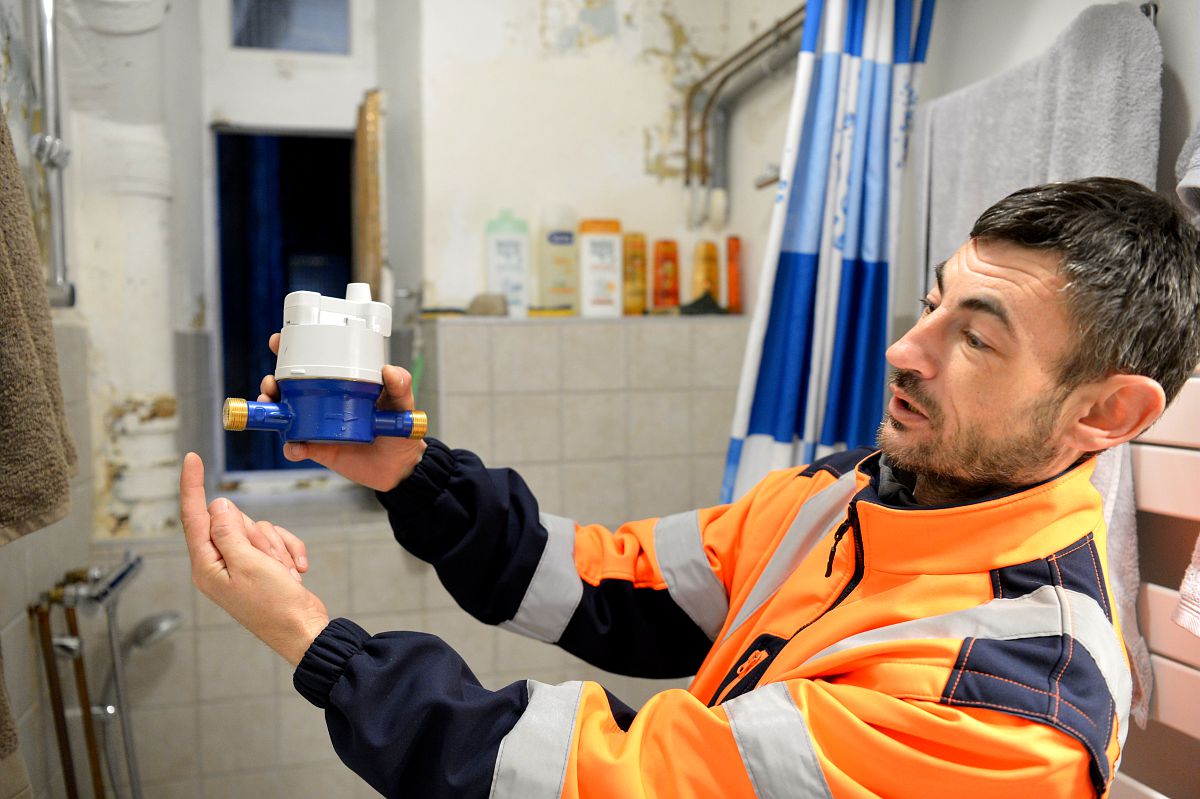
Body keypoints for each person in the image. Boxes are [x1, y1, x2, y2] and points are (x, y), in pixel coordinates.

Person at [180, 177, 1200, 798]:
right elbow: (611, 588)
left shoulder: (1009, 716)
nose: (905, 349)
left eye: (976, 337)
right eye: (933, 302)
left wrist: (316, 643)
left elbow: (599, 783)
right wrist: (409, 473)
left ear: (1105, 414)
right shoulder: (847, 494)